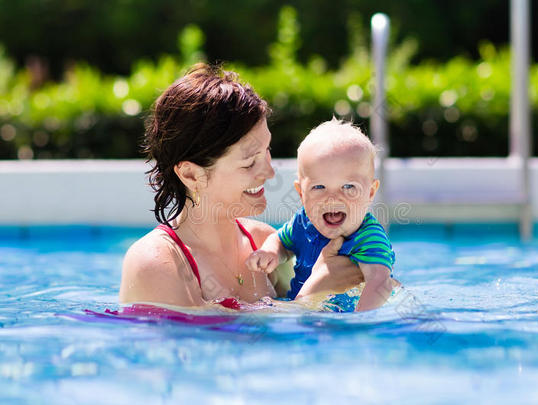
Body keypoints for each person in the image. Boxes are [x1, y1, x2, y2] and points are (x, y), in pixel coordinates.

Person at [119, 64, 363, 309]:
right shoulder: (157, 262)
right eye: (249, 163)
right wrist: (315, 292)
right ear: (191, 175)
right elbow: (199, 342)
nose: (269, 172)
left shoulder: (265, 242)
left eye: (267, 151)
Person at [245, 118, 395, 311]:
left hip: (344, 323)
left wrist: (359, 321)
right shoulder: (303, 222)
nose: (332, 198)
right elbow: (280, 240)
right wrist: (271, 252)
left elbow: (380, 284)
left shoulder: (368, 237)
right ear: (301, 193)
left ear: (371, 193)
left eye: (348, 186)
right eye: (319, 187)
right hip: (303, 312)